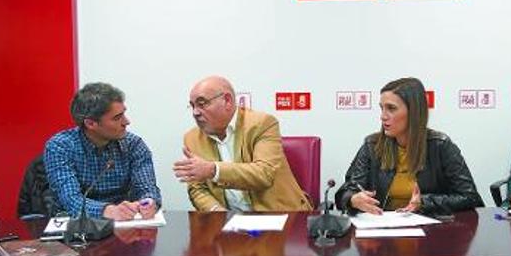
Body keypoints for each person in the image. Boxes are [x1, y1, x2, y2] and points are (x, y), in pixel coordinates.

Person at [335, 77, 483, 215]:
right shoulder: (372, 146)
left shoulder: (440, 145)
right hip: (382, 231)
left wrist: (425, 202)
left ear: (414, 112)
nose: (383, 116)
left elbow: (470, 197)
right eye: (382, 108)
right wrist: (352, 199)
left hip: (430, 232)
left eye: (391, 108)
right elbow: (346, 191)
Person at [173, 75, 312, 212]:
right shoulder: (192, 138)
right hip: (229, 222)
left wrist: (214, 170)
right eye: (192, 106)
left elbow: (264, 174)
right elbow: (197, 189)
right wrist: (216, 212)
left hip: (280, 215)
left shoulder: (262, 124)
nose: (195, 112)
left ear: (227, 100)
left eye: (202, 104)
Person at [44, 82, 161, 220]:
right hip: (75, 228)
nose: (127, 122)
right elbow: (71, 201)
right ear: (90, 123)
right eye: (117, 118)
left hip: (124, 224)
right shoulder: (60, 147)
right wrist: (108, 210)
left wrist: (148, 202)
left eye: (124, 114)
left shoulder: (134, 145)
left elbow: (147, 188)